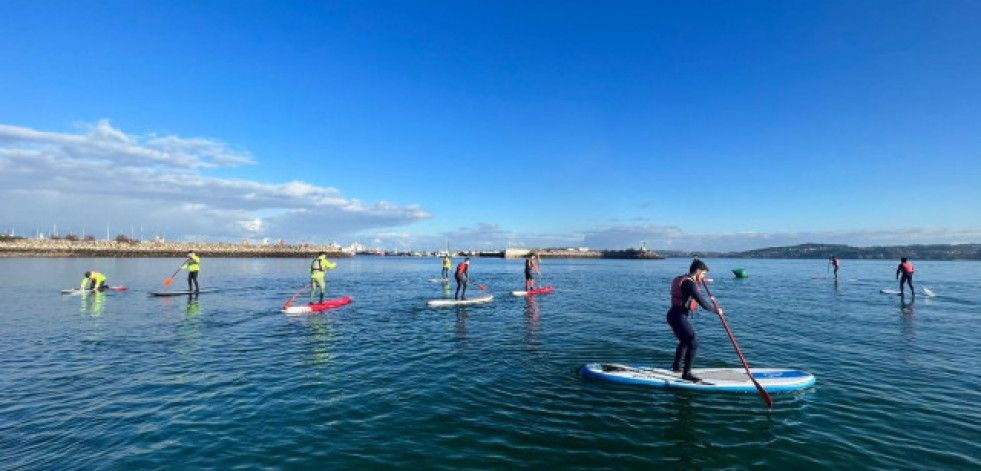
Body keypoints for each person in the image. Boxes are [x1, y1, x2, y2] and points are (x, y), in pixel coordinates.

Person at [666, 259, 723, 383]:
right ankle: (686, 374)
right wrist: (716, 310)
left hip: (674, 315)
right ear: (697, 271)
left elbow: (695, 284)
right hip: (678, 316)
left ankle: (676, 367)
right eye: (703, 274)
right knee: (693, 343)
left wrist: (706, 280)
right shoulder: (689, 284)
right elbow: (701, 302)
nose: (703, 277)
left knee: (685, 341)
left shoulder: (685, 278)